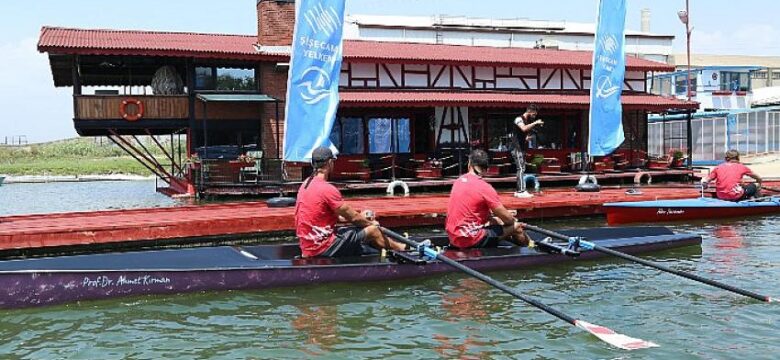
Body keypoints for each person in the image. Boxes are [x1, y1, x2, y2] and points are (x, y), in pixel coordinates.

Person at [295, 146, 406, 257]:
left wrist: (361, 217)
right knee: (373, 230)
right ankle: (404, 249)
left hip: (308, 247)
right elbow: (353, 217)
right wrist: (371, 223)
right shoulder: (326, 189)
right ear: (329, 162)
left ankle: (385, 249)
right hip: (322, 247)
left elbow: (338, 216)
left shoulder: (305, 185)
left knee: (360, 228)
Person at [445, 149, 532, 249]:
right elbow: (508, 220)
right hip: (469, 239)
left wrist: (498, 219)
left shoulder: (458, 181)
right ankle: (530, 247)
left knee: (496, 221)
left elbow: (473, 211)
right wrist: (512, 221)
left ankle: (513, 241)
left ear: (469, 164)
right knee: (516, 227)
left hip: (453, 237)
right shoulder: (485, 187)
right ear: (486, 170)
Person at [510, 104, 544, 198]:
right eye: (533, 114)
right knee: (520, 169)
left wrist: (526, 138)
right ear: (529, 111)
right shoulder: (519, 119)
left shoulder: (526, 121)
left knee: (522, 168)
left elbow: (521, 133)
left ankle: (518, 190)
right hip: (516, 148)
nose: (534, 117)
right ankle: (521, 191)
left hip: (521, 147)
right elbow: (523, 128)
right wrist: (535, 123)